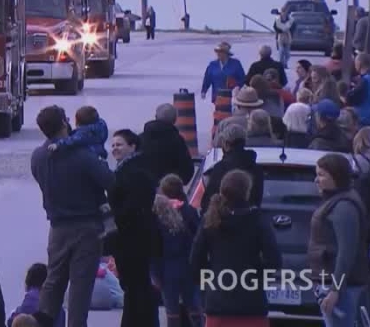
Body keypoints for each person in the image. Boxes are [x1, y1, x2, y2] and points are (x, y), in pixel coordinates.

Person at [30, 106, 114, 327]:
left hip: (57, 227)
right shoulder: (82, 154)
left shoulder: (38, 156)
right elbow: (108, 181)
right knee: (80, 285)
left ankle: (43, 319)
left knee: (54, 280)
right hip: (86, 226)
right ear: (64, 123)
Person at [191, 169, 282, 327]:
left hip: (218, 304)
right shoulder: (257, 220)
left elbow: (195, 261)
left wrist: (212, 276)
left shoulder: (211, 219)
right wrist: (255, 274)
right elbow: (274, 261)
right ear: (247, 191)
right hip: (251, 305)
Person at [308, 154, 369, 327]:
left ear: (336, 176)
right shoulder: (336, 201)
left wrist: (336, 289)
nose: (316, 180)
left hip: (342, 288)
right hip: (332, 283)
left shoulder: (344, 207)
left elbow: (347, 251)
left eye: (321, 175)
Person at [108, 129, 160, 327]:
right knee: (136, 287)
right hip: (132, 239)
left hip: (133, 240)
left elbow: (131, 207)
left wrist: (113, 217)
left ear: (133, 146)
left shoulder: (135, 172)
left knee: (136, 287)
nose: (115, 149)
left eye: (119, 144)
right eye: (113, 145)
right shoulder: (128, 169)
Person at [153, 188, 202, 327]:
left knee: (172, 313)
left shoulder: (157, 226)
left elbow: (155, 254)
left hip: (168, 272)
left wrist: (155, 275)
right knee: (194, 308)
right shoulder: (182, 222)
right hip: (187, 268)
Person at [200, 124, 265, 212]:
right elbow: (257, 200)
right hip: (250, 220)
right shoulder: (256, 169)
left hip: (223, 221)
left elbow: (208, 200)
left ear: (226, 143)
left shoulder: (221, 167)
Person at [140, 103, 195, 183]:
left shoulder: (140, 139)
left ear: (155, 117)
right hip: (169, 189)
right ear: (175, 120)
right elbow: (187, 171)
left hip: (144, 187)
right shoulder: (178, 141)